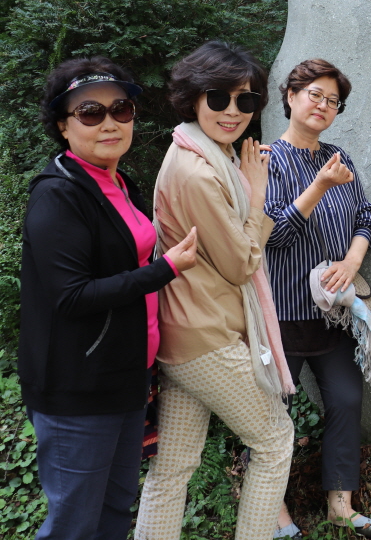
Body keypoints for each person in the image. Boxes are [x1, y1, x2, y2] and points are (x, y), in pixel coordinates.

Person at [19, 58, 198, 540]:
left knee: (115, 511)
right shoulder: (59, 194)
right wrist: (165, 270)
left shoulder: (119, 183)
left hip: (127, 378)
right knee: (75, 525)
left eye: (121, 109)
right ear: (63, 125)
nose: (110, 122)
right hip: (79, 389)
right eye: (90, 112)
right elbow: (71, 296)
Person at [136, 41, 295, 540]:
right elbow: (241, 263)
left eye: (245, 100)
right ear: (193, 98)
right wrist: (257, 193)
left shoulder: (201, 152)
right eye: (219, 98)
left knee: (172, 470)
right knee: (275, 441)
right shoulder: (199, 171)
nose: (233, 112)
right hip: (207, 337)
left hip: (184, 332)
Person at [263, 59, 371, 538]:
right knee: (272, 416)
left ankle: (341, 505)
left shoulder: (339, 156)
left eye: (333, 101)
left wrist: (353, 260)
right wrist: (319, 185)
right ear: (291, 96)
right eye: (314, 94)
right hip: (282, 313)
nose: (323, 105)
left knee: (346, 399)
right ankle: (272, 511)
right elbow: (273, 234)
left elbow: (366, 216)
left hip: (335, 313)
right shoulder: (267, 159)